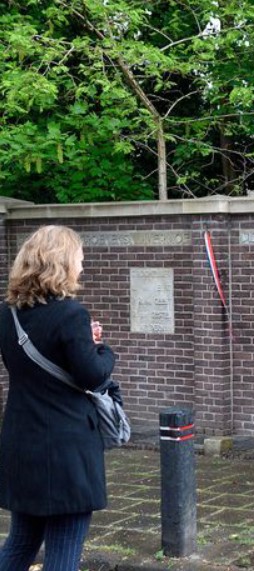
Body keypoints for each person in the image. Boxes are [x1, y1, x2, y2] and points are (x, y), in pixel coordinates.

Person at [0, 225, 116, 570]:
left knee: (20, 544)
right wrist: (103, 349)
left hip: (22, 443)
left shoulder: (7, 314)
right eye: (79, 259)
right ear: (62, 263)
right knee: (63, 553)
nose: (82, 266)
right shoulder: (71, 314)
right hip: (64, 452)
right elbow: (93, 375)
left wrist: (81, 342)